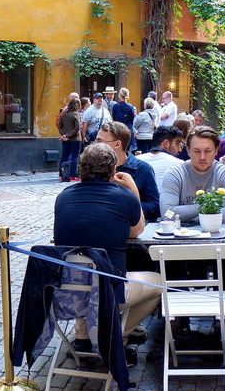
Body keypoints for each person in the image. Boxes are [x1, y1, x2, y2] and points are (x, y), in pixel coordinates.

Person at [53, 143, 162, 362]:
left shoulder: (63, 196)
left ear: (81, 169)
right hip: (108, 293)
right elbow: (137, 230)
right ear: (113, 170)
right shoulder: (124, 196)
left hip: (67, 293)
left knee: (84, 269)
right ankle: (117, 338)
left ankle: (84, 337)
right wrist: (133, 190)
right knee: (159, 284)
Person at [160, 125, 225, 224]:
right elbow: (167, 214)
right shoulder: (174, 174)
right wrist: (209, 208)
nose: (202, 157)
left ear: (216, 151)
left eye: (207, 151)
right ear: (188, 151)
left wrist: (188, 218)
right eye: (197, 151)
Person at [97, 122, 160, 222]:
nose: (96, 145)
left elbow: (155, 206)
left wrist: (124, 208)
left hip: (132, 226)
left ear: (117, 144)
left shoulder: (143, 169)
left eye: (100, 142)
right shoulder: (93, 167)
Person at [56, 98, 82, 182]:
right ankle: (73, 175)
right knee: (75, 156)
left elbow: (59, 125)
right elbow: (77, 127)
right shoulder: (75, 114)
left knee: (64, 156)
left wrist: (64, 135)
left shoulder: (64, 114)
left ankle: (62, 175)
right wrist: (68, 135)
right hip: (75, 139)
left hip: (65, 139)